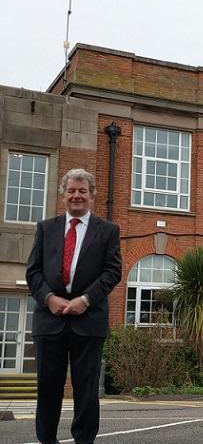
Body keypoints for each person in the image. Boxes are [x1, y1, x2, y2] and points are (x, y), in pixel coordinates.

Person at [26, 168, 122, 444]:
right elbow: (33, 272)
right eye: (71, 191)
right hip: (49, 320)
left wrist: (86, 300)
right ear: (63, 195)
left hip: (88, 321)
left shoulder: (108, 231)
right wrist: (48, 298)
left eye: (82, 191)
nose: (76, 196)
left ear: (92, 196)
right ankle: (47, 440)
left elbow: (112, 272)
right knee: (47, 389)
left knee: (87, 391)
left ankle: (84, 440)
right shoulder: (46, 229)